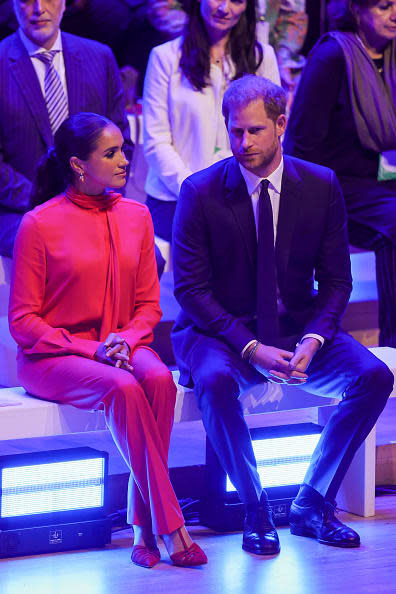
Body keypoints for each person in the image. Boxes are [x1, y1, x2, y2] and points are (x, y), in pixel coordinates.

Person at [172, 75, 393, 555]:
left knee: (373, 376)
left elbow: (336, 281)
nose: (243, 143)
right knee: (213, 380)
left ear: (281, 125)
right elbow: (190, 289)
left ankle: (312, 503)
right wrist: (251, 347)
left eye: (253, 131)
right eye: (234, 132)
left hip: (296, 327)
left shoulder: (320, 185)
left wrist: (313, 339)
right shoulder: (200, 191)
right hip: (221, 332)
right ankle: (254, 509)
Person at [8, 112, 207, 569]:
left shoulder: (136, 216)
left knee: (159, 379)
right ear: (79, 164)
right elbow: (23, 322)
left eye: (124, 150)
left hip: (120, 345)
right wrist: (92, 349)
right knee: (123, 387)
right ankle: (169, 525)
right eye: (111, 152)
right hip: (55, 356)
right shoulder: (38, 224)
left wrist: (125, 338)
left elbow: (149, 308)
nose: (124, 161)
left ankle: (140, 523)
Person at [284, 0, 396, 347]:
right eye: (383, 6)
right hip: (340, 190)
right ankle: (393, 345)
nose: (395, 14)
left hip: (387, 184)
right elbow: (301, 147)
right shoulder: (333, 57)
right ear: (356, 10)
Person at [0, 0, 133, 259]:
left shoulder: (100, 57)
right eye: (27, 0)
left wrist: (97, 193)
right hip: (21, 211)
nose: (39, 8)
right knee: (65, 253)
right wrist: (48, 201)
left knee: (148, 254)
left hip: (95, 201)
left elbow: (121, 143)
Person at [143, 0, 281, 243]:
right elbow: (156, 141)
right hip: (175, 200)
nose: (224, 8)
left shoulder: (262, 57)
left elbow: (272, 133)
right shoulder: (164, 57)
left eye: (236, 1)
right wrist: (194, 191)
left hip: (243, 199)